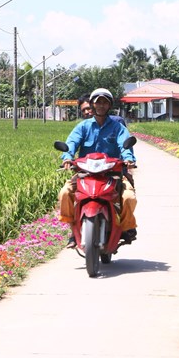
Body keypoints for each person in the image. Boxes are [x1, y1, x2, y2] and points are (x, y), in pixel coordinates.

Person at [60, 88, 137, 248]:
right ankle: (73, 229)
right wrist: (67, 157)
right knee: (65, 192)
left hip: (113, 174)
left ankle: (126, 228)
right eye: (98, 102)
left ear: (109, 105)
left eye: (105, 102)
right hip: (85, 174)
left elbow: (125, 145)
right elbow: (72, 142)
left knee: (128, 197)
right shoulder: (83, 126)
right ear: (92, 105)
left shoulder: (117, 127)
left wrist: (128, 159)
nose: (101, 105)